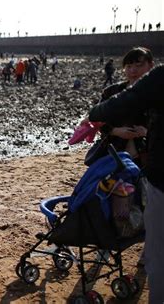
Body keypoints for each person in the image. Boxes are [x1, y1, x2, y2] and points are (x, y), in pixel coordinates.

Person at [89, 65, 164, 304]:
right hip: (135, 162)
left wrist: (95, 112)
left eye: (140, 64)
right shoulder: (115, 88)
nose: (134, 70)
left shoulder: (158, 79)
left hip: (161, 177)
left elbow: (121, 104)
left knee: (159, 252)